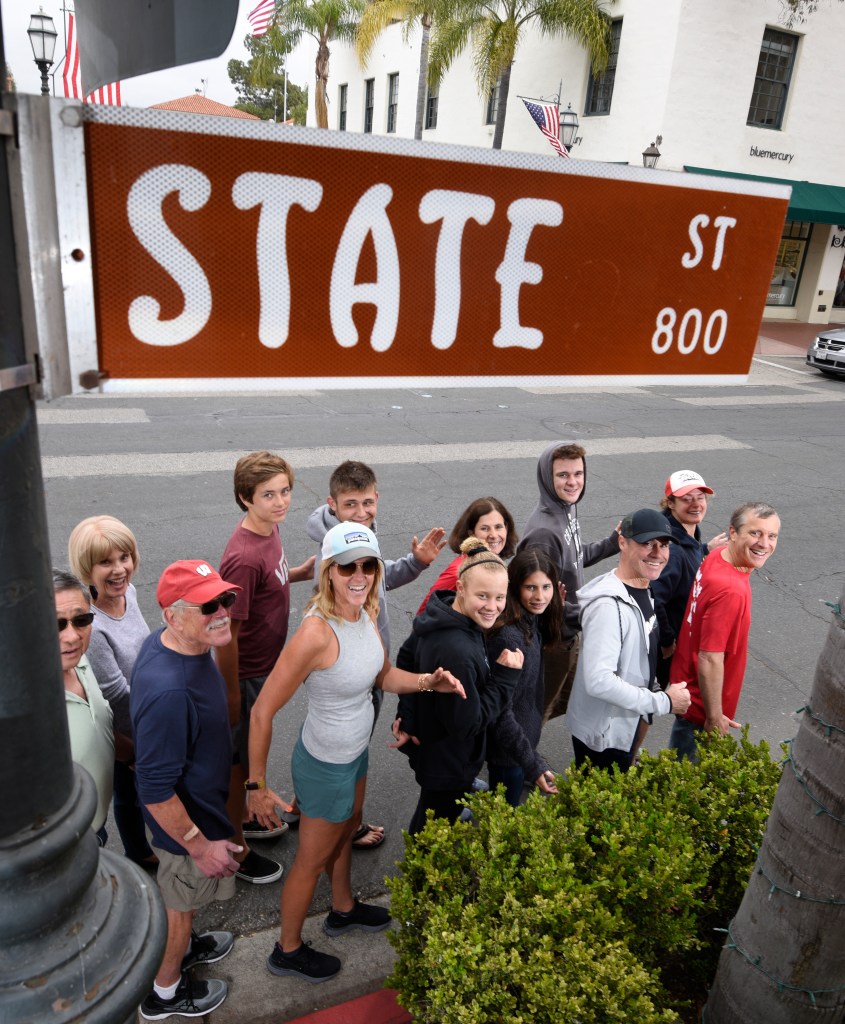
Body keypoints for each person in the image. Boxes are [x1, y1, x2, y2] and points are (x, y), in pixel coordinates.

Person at [246, 523, 464, 983]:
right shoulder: (315, 634)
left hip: (354, 754)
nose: (359, 574)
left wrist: (427, 682)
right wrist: (257, 786)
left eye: (368, 565)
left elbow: (382, 673)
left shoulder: (364, 611)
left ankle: (342, 909)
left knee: (346, 831)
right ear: (329, 571)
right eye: (348, 567)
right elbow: (262, 711)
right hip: (325, 764)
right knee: (309, 860)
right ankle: (286, 949)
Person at [305, 459, 446, 849]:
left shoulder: (362, 534)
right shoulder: (334, 550)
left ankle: (310, 802)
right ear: (332, 505)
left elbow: (378, 581)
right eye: (351, 504)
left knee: (332, 740)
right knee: (349, 747)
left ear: (378, 498)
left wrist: (417, 564)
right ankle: (345, 825)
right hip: (357, 669)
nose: (361, 512)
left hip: (370, 663)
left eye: (368, 502)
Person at [132, 560, 243, 1021]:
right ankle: (164, 991)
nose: (222, 613)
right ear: (172, 616)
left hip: (200, 806)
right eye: (207, 606)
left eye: (226, 599)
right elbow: (155, 790)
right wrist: (198, 846)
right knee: (179, 907)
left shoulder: (178, 647)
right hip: (186, 826)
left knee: (187, 906)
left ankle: (189, 946)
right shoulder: (170, 691)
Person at [217, 451, 315, 883]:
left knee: (252, 751)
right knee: (240, 762)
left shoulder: (269, 531)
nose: (281, 502)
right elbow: (228, 635)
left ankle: (247, 816)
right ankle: (236, 849)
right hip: (247, 672)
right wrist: (233, 693)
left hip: (266, 665)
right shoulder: (242, 557)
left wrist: (294, 573)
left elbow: (267, 579)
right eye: (268, 495)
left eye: (285, 491)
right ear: (245, 498)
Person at [393, 538, 523, 833]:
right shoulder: (459, 654)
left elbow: (407, 655)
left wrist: (409, 715)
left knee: (430, 814)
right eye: (483, 596)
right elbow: (468, 723)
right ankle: (420, 878)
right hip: (450, 761)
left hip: (432, 745)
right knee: (433, 829)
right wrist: (505, 678)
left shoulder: (440, 612)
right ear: (461, 588)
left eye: (499, 597)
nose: (493, 607)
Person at [565, 509, 691, 773]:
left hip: (626, 724)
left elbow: (640, 655)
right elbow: (599, 681)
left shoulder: (643, 589)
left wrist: (654, 688)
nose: (658, 553)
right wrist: (664, 702)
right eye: (647, 543)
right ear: (622, 542)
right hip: (604, 737)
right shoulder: (608, 607)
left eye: (664, 545)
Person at [68, 515, 157, 869]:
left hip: (143, 711)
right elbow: (117, 693)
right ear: (86, 568)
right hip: (126, 728)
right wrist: (140, 742)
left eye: (125, 557)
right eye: (106, 562)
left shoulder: (127, 593)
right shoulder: (92, 622)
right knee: (129, 793)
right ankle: (139, 852)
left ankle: (138, 850)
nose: (120, 569)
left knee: (129, 794)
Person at [669, 502, 780, 761]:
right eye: (755, 533)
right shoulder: (731, 590)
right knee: (687, 784)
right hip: (700, 706)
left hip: (685, 688)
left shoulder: (718, 555)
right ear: (733, 533)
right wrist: (714, 716)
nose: (764, 543)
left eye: (771, 535)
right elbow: (710, 657)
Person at [517, 441, 620, 721]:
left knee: (568, 702)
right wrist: (595, 613)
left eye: (578, 473)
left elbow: (574, 556)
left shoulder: (566, 508)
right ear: (548, 479)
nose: (573, 482)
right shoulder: (544, 533)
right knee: (532, 713)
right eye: (563, 475)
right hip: (552, 639)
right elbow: (534, 600)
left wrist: (612, 543)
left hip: (568, 630)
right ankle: (516, 763)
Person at [486, 548, 564, 805]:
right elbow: (500, 712)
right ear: (514, 587)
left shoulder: (531, 621)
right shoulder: (510, 638)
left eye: (546, 587)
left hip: (520, 746)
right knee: (505, 813)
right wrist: (532, 763)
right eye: (531, 588)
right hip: (508, 752)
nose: (540, 596)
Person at [54, 569, 117, 846]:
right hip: (66, 848)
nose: (72, 636)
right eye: (56, 624)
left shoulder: (78, 660)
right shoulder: (22, 712)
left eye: (81, 620)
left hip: (96, 829)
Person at [650, 472, 727, 688]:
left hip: (673, 639)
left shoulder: (684, 535)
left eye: (700, 497)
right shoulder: (673, 549)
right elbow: (654, 596)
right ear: (670, 503)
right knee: (647, 704)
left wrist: (703, 549)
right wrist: (666, 641)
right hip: (665, 646)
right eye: (686, 498)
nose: (695, 504)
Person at [416, 496, 518, 614]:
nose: (494, 535)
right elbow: (424, 615)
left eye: (498, 527)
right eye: (485, 529)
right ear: (471, 533)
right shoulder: (460, 571)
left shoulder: (488, 561)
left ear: (506, 527)